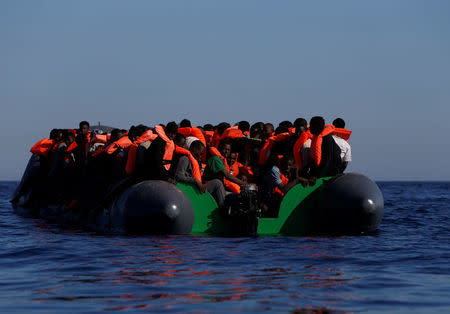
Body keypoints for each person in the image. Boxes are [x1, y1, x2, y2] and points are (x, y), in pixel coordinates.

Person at [175, 140, 227, 206]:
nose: (200, 156)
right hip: (189, 191)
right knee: (217, 183)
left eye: (202, 154)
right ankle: (223, 209)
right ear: (193, 149)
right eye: (200, 153)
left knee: (217, 182)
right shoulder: (185, 159)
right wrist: (196, 181)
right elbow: (178, 176)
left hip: (196, 188)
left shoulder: (196, 162)